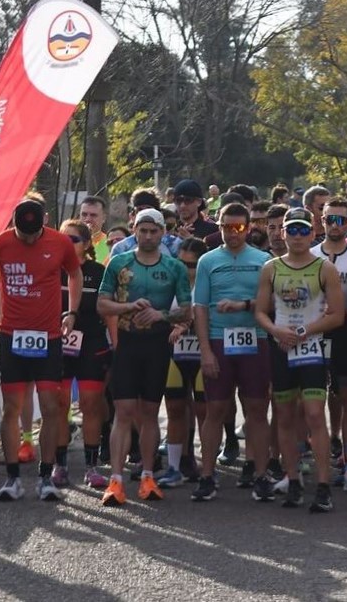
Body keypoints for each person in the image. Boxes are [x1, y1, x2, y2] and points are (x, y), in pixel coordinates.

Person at [0, 198, 82, 502]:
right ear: (13, 224)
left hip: (48, 337)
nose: (29, 239)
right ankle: (12, 478)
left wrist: (71, 312)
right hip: (12, 336)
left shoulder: (60, 242)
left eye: (34, 234)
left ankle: (45, 476)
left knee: (51, 407)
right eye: (23, 235)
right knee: (12, 407)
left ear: (44, 221)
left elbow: (74, 274)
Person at [97, 208, 192, 506]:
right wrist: (128, 308)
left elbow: (186, 311)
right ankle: (116, 480)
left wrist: (160, 314)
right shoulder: (119, 262)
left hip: (157, 346)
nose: (148, 236)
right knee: (123, 411)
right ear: (135, 231)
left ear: (163, 233)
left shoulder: (175, 267)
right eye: (143, 231)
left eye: (154, 231)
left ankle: (149, 475)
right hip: (127, 344)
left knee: (150, 412)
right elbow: (102, 304)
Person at [255, 208, 345, 511]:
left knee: (315, 416)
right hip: (282, 349)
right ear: (283, 234)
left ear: (312, 233)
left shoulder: (325, 268)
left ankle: (323, 485)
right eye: (290, 230)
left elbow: (338, 315)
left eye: (301, 230)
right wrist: (277, 330)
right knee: (284, 416)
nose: (295, 236)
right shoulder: (271, 268)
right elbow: (260, 311)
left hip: (311, 350)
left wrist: (305, 331)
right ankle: (292, 480)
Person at [191, 202, 274, 502]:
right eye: (226, 227)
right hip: (218, 340)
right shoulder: (208, 261)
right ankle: (207, 476)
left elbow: (271, 304)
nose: (232, 233)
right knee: (215, 410)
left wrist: (244, 306)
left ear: (249, 228)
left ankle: (261, 475)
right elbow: (200, 307)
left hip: (255, 340)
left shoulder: (264, 260)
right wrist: (205, 351)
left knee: (256, 410)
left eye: (238, 227)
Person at [310, 198, 347, 493]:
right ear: (320, 221)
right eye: (328, 219)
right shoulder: (308, 255)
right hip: (313, 334)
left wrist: (341, 315)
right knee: (310, 399)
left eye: (340, 220)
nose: (334, 225)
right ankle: (306, 460)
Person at [51, 220, 112, 490]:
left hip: (91, 344)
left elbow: (108, 310)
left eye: (73, 240)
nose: (67, 244)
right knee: (60, 405)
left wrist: (116, 345)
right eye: (63, 239)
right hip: (58, 344)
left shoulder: (98, 272)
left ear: (87, 244)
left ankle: (91, 466)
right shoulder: (52, 269)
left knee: (90, 405)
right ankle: (60, 465)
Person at [158, 237, 210, 488]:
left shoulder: (209, 283)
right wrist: (173, 321)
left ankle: (208, 469)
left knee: (204, 412)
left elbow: (210, 313)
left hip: (203, 354)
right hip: (175, 354)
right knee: (175, 409)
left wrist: (185, 322)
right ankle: (174, 466)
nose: (187, 269)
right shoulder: (169, 283)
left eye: (193, 265)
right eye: (182, 263)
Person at [78, 195, 111, 263]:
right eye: (84, 214)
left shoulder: (110, 244)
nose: (88, 219)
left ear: (104, 218)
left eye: (93, 215)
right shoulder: (70, 241)